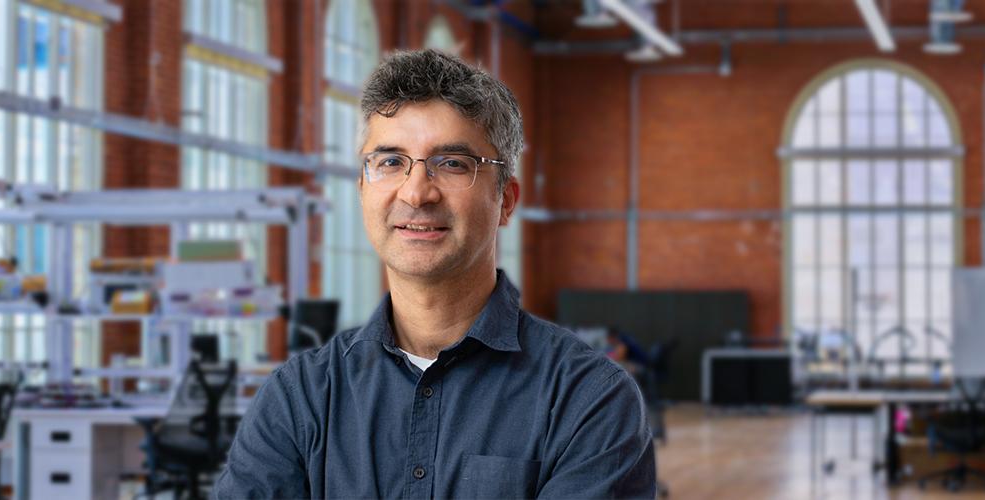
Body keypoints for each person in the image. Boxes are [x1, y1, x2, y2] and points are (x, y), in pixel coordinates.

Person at [214, 49, 655, 499]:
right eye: (389, 162)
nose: (416, 191)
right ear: (363, 190)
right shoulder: (300, 397)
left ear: (505, 200)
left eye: (452, 163)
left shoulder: (588, 400)